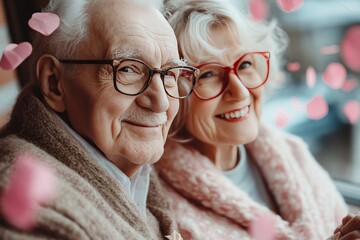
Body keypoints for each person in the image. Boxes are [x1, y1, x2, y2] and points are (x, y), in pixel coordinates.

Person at [0, 0, 198, 239]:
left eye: (169, 74)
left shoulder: (131, 172)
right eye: (128, 69)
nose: (161, 103)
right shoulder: (23, 201)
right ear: (54, 83)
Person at [155, 0, 348, 239]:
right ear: (172, 90)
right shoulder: (160, 207)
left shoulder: (294, 153)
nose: (240, 91)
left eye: (244, 64)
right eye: (209, 74)